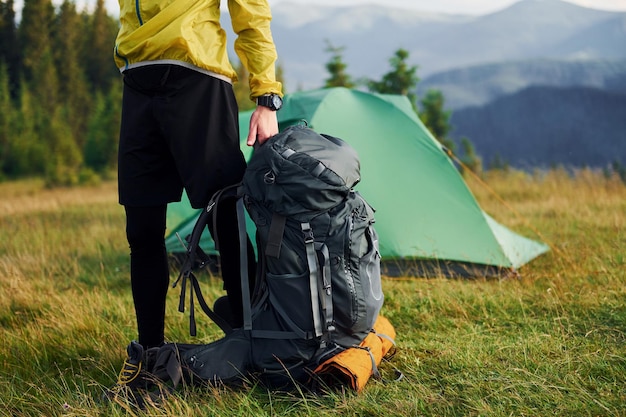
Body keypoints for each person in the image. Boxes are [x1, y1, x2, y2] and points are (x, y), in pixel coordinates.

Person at [106, 0, 283, 399]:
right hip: (136, 81)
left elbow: (251, 12)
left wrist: (267, 94)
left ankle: (251, 340)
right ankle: (150, 358)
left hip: (198, 78)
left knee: (226, 218)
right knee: (143, 231)